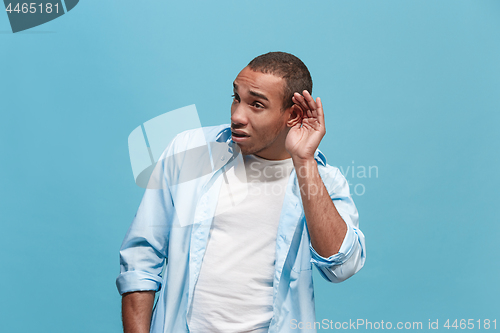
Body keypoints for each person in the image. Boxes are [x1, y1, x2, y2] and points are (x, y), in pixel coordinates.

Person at [116, 51, 366, 333]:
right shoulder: (188, 151)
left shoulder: (322, 180)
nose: (237, 115)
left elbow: (341, 267)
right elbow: (140, 261)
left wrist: (304, 161)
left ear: (293, 114)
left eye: (256, 104)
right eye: (236, 97)